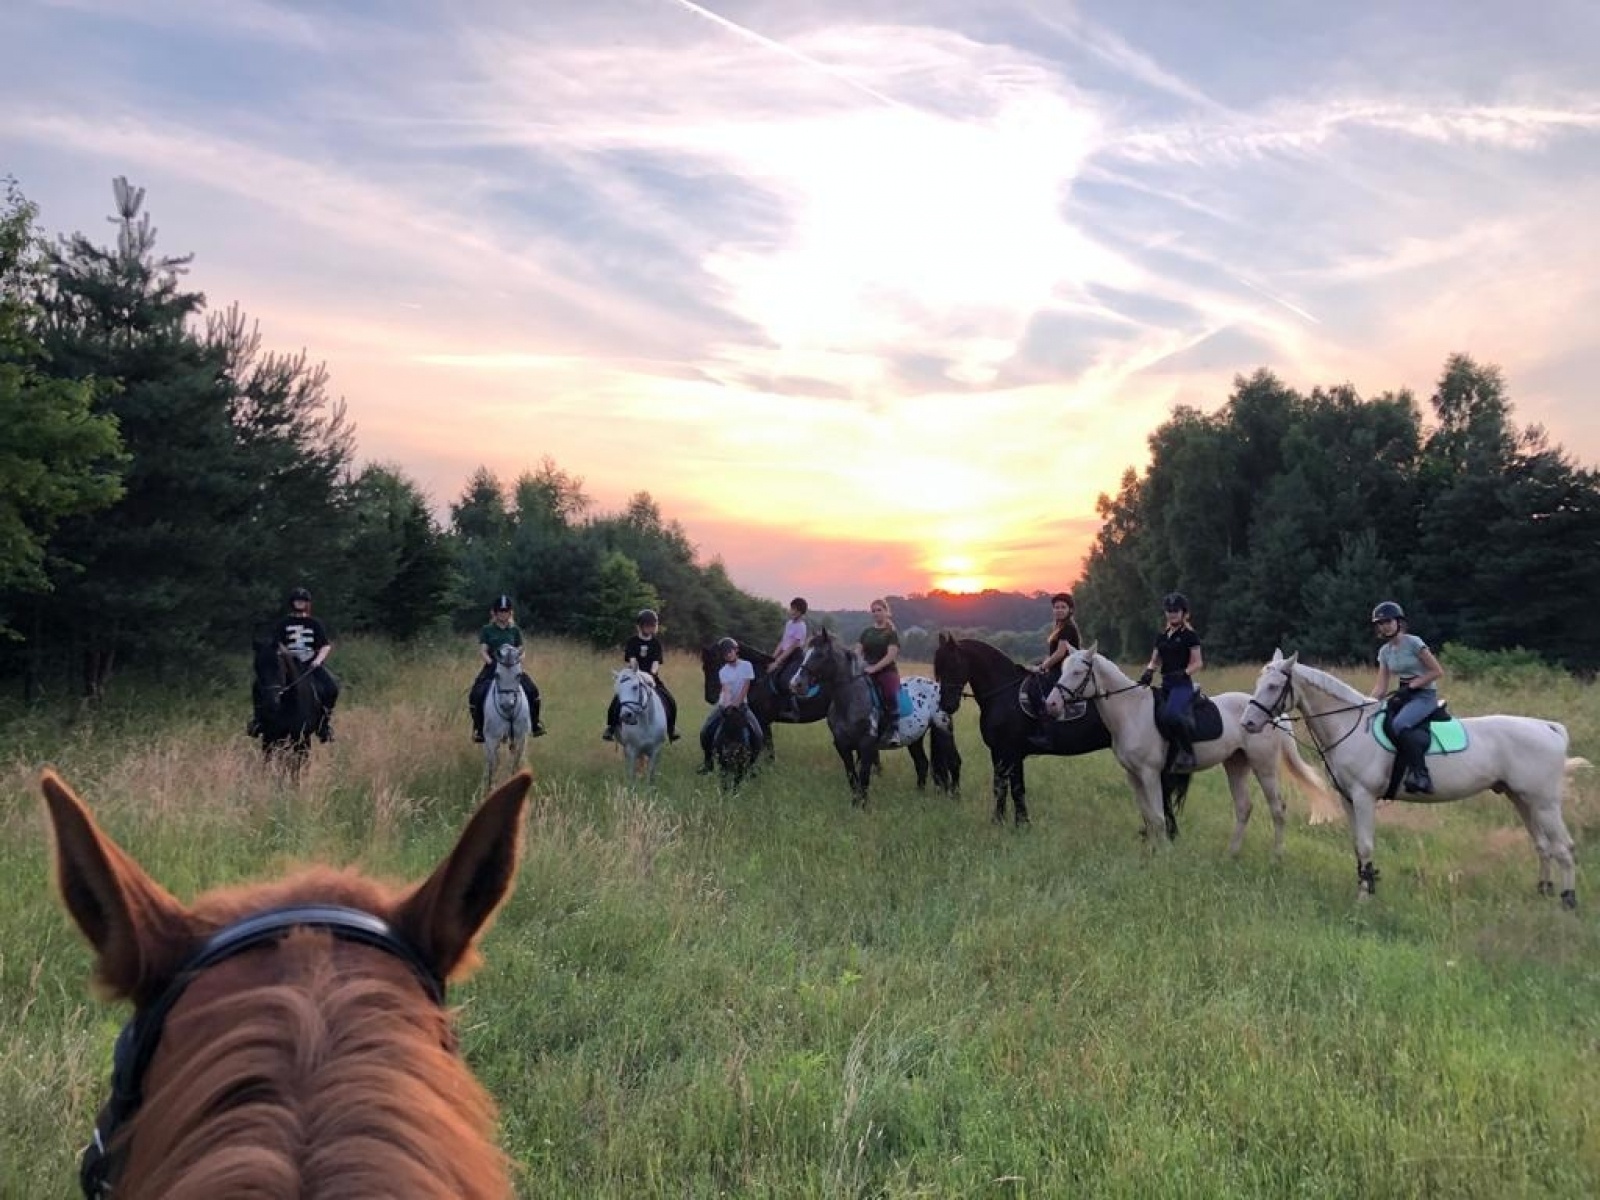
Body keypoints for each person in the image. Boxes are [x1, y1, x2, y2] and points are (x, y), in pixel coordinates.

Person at [1368, 599, 1443, 795]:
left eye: (1388, 622)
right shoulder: (1384, 652)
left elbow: (1437, 671)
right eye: (1381, 624)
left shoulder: (1414, 643)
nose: (1385, 627)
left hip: (1424, 694)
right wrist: (1366, 705)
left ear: (1398, 622)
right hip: (1404, 694)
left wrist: (1413, 685)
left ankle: (1421, 775)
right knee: (1379, 722)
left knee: (1400, 724)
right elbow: (1381, 686)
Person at [1137, 591, 1202, 772]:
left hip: (1182, 685)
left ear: (1184, 613)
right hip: (1165, 684)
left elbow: (1198, 662)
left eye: (1176, 610)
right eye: (1169, 610)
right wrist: (1149, 672)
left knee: (1172, 715)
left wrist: (1184, 672)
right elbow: (1155, 660)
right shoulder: (1161, 636)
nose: (1172, 613)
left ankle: (1188, 753)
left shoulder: (1190, 636)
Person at [468, 594, 545, 743]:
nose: (503, 614)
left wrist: (519, 660)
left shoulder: (514, 630)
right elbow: (483, 650)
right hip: (493, 666)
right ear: (495, 613)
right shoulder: (487, 629)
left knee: (532, 690)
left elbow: (521, 649)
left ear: (510, 613)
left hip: (513, 668)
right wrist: (491, 663)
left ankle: (535, 724)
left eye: (505, 611)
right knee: (476, 693)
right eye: (500, 611)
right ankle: (479, 728)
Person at [270, 586, 340, 742]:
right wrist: (283, 655)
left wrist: (317, 660)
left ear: (307, 603)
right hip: (287, 665)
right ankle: (258, 721)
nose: (300, 604)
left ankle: (323, 724)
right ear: (292, 603)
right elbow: (276, 643)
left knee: (331, 687)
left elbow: (325, 645)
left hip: (310, 664)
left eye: (303, 601)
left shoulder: (314, 623)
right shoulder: (283, 623)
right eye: (297, 601)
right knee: (263, 686)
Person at [602, 608, 680, 742]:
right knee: (617, 701)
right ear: (640, 626)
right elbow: (632, 660)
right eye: (648, 625)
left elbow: (656, 662)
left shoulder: (656, 643)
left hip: (651, 677)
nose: (651, 627)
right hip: (633, 675)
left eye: (653, 625)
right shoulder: (632, 642)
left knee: (669, 699)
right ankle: (611, 727)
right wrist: (636, 672)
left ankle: (671, 728)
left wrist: (651, 674)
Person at [697, 636, 764, 773]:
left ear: (736, 651)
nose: (728, 655)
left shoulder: (747, 666)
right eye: (725, 653)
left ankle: (752, 766)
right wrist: (727, 705)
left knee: (757, 733)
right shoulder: (723, 671)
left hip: (742, 704)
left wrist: (737, 704)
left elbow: (746, 686)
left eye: (730, 651)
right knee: (706, 730)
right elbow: (726, 690)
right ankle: (708, 762)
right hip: (725, 705)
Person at [855, 598, 902, 746]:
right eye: (873, 611)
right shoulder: (867, 632)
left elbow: (891, 656)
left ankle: (894, 730)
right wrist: (859, 664)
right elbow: (857, 651)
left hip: (886, 671)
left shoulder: (891, 633)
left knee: (889, 693)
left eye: (879, 610)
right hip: (866, 670)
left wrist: (874, 668)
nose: (876, 613)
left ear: (886, 612)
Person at [769, 597, 810, 714]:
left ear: (800, 612)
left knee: (785, 680)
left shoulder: (801, 626)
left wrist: (778, 661)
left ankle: (792, 708)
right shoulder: (789, 624)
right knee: (772, 675)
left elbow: (792, 647)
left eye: (794, 610)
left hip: (795, 657)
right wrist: (772, 658)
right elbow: (783, 642)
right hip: (785, 655)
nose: (791, 612)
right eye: (791, 609)